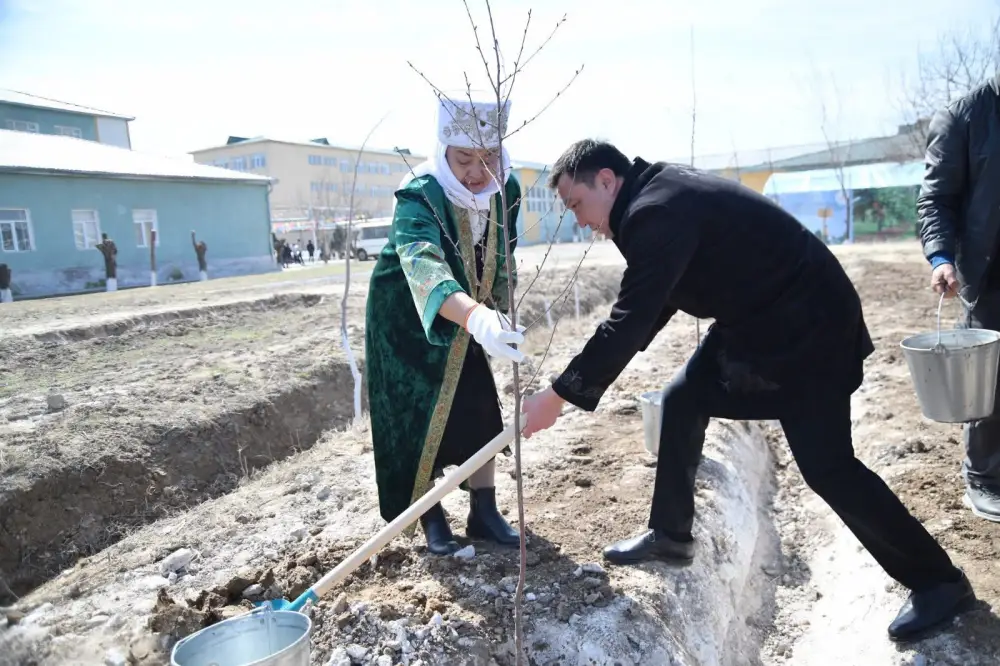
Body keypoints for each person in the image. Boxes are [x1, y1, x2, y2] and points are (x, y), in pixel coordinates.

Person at [521, 139, 976, 642]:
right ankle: (670, 535)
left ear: (606, 180)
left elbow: (629, 318)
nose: (579, 221)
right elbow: (656, 299)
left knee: (828, 467)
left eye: (576, 205)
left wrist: (560, 394)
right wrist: (587, 377)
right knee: (682, 400)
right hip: (762, 319)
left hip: (808, 324)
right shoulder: (656, 195)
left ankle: (939, 582)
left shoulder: (656, 210)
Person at [364, 96, 524, 555]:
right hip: (404, 316)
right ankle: (430, 516)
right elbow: (424, 265)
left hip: (470, 310)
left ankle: (485, 511)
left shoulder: (505, 189)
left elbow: (502, 255)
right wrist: (476, 316)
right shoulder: (420, 192)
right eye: (464, 160)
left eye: (487, 158)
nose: (477, 172)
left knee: (477, 403)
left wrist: (503, 312)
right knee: (417, 414)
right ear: (443, 151)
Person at [918, 75, 1000, 523]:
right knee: (989, 383)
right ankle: (984, 477)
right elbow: (935, 199)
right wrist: (941, 257)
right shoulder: (965, 116)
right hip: (989, 272)